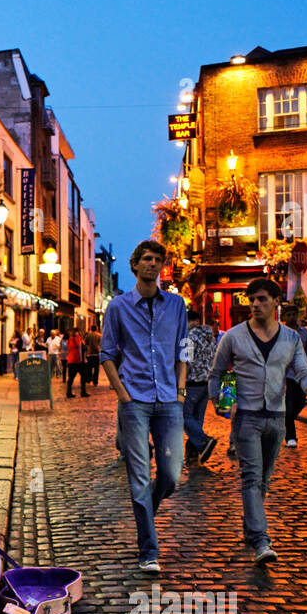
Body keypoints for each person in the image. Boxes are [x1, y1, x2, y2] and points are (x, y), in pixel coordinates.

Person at [210, 277, 307, 565]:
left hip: (277, 417)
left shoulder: (291, 339)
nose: (255, 304)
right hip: (246, 417)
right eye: (252, 299)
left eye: (262, 299)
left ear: (276, 302)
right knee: (251, 476)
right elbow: (219, 371)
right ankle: (262, 540)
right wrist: (226, 402)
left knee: (263, 479)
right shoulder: (233, 336)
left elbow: (302, 370)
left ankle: (251, 526)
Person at [100, 240, 187, 574]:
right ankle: (148, 550)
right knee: (139, 476)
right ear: (135, 265)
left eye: (157, 260)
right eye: (146, 259)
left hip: (169, 400)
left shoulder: (176, 305)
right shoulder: (119, 308)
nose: (152, 264)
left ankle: (145, 512)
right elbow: (107, 354)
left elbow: (184, 348)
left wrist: (180, 391)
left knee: (171, 473)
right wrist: (122, 394)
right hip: (134, 401)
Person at [182, 309, 218, 464]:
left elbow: (185, 362)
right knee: (197, 419)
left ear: (191, 321)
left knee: (183, 416)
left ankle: (203, 441)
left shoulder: (188, 337)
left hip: (192, 382)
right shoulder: (211, 337)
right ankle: (193, 451)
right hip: (207, 383)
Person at [281, 304, 307, 448]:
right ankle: (290, 437)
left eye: (294, 314)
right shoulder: (280, 333)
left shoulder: (305, 333)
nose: (292, 317)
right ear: (284, 317)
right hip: (286, 374)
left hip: (300, 373)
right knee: (289, 403)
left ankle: (286, 422)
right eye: (289, 315)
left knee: (300, 402)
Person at [64, 327, 88, 398]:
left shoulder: (70, 339)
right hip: (77, 361)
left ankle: (69, 392)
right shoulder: (76, 339)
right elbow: (78, 345)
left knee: (71, 378)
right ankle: (82, 392)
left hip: (72, 361)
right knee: (82, 377)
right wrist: (78, 337)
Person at [85, 323, 103, 387]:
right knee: (96, 368)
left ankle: (89, 379)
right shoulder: (99, 336)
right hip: (97, 353)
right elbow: (101, 344)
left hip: (89, 353)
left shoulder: (88, 335)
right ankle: (95, 381)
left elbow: (86, 343)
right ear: (96, 329)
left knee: (89, 368)